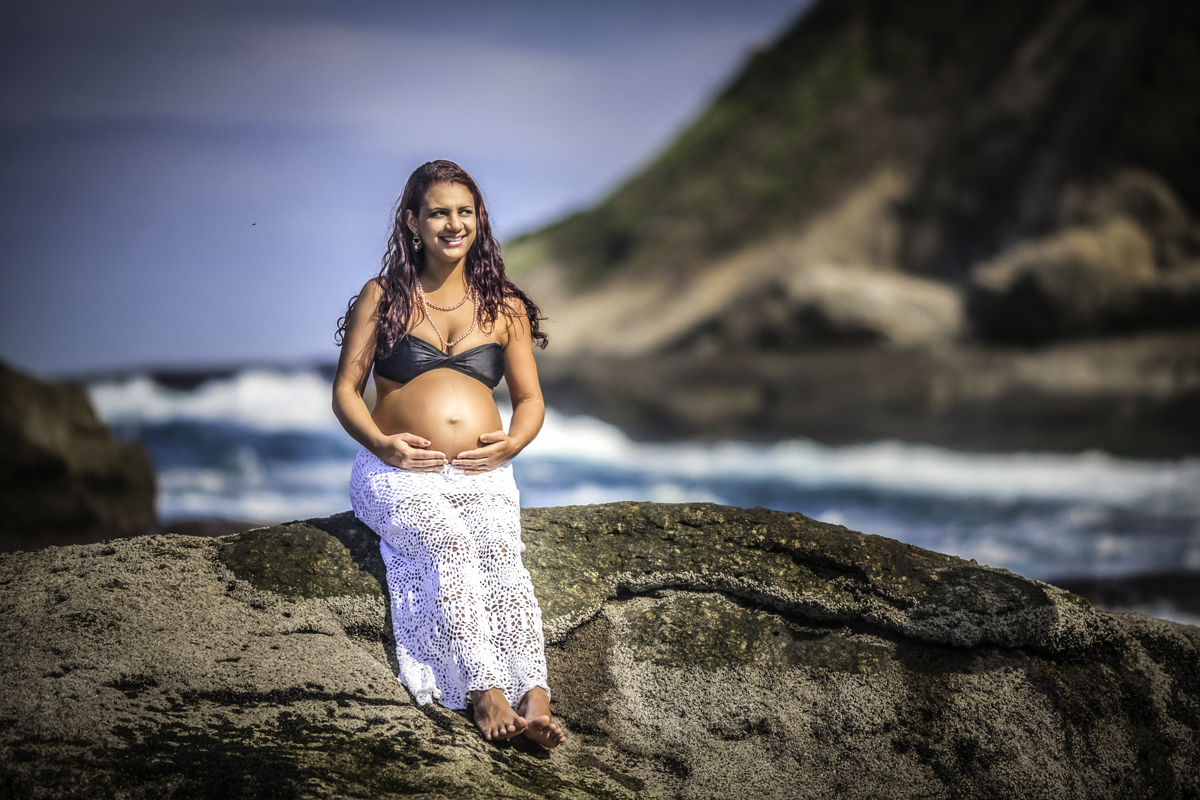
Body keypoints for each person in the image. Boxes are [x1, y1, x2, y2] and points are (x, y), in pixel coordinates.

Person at [332, 160, 565, 748]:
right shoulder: (382, 296)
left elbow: (531, 399)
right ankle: (484, 692)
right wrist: (382, 443)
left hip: (482, 473)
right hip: (396, 471)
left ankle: (533, 695)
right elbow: (345, 393)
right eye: (438, 212)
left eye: (464, 212)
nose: (452, 223)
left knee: (502, 558)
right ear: (413, 221)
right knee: (448, 542)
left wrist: (513, 441)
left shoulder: (504, 305)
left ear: (479, 220)